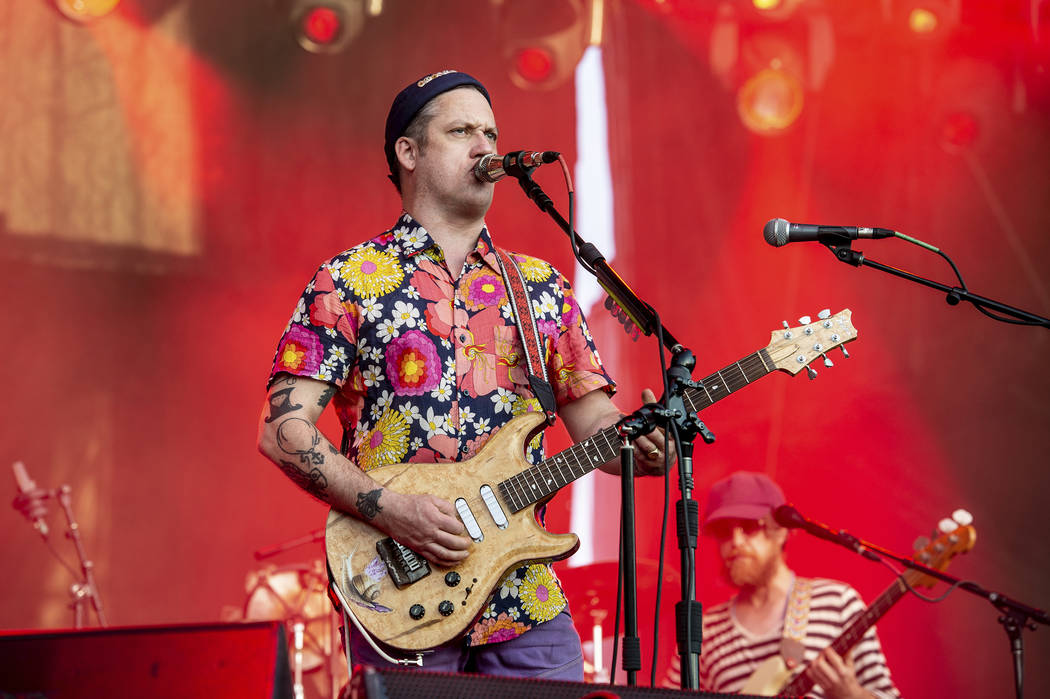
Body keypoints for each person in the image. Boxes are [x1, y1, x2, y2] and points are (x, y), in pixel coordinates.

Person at [256, 70, 669, 681]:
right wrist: (391, 510)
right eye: (462, 131)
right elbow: (281, 431)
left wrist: (636, 442)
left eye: (491, 132)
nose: (486, 147)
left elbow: (596, 424)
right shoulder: (348, 280)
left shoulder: (540, 289)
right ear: (409, 152)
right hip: (402, 588)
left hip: (524, 596)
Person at [697, 472, 900, 698]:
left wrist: (850, 694)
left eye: (749, 526)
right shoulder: (705, 630)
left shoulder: (838, 602)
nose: (735, 542)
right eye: (723, 531)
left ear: (782, 530)